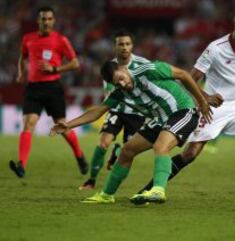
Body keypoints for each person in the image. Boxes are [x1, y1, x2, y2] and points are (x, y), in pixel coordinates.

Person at [139, 10, 235, 198]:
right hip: (212, 110)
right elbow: (190, 78)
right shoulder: (215, 48)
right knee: (190, 154)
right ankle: (147, 190)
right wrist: (204, 98)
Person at [50, 60, 213, 204]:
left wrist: (202, 101)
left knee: (160, 146)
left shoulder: (149, 70)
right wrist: (69, 125)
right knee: (127, 151)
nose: (121, 84)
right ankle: (107, 195)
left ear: (124, 69)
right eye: (116, 83)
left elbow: (183, 74)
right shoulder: (120, 92)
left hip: (182, 111)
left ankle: (158, 190)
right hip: (159, 119)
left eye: (121, 78)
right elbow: (98, 111)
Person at [9, 6, 88, 178]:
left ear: (53, 21)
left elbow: (75, 63)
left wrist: (54, 69)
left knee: (63, 127)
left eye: (49, 19)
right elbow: (23, 56)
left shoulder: (60, 40)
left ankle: (79, 155)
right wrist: (21, 72)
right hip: (33, 87)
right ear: (38, 21)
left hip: (53, 87)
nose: (46, 22)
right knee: (29, 123)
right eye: (43, 19)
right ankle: (21, 164)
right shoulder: (28, 38)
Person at [79, 29, 148, 190]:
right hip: (117, 110)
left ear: (132, 46)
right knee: (103, 143)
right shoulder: (110, 68)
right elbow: (110, 94)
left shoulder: (143, 64)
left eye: (127, 44)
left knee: (127, 152)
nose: (124, 47)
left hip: (137, 114)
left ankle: (116, 153)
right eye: (121, 44)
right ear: (115, 46)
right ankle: (91, 180)